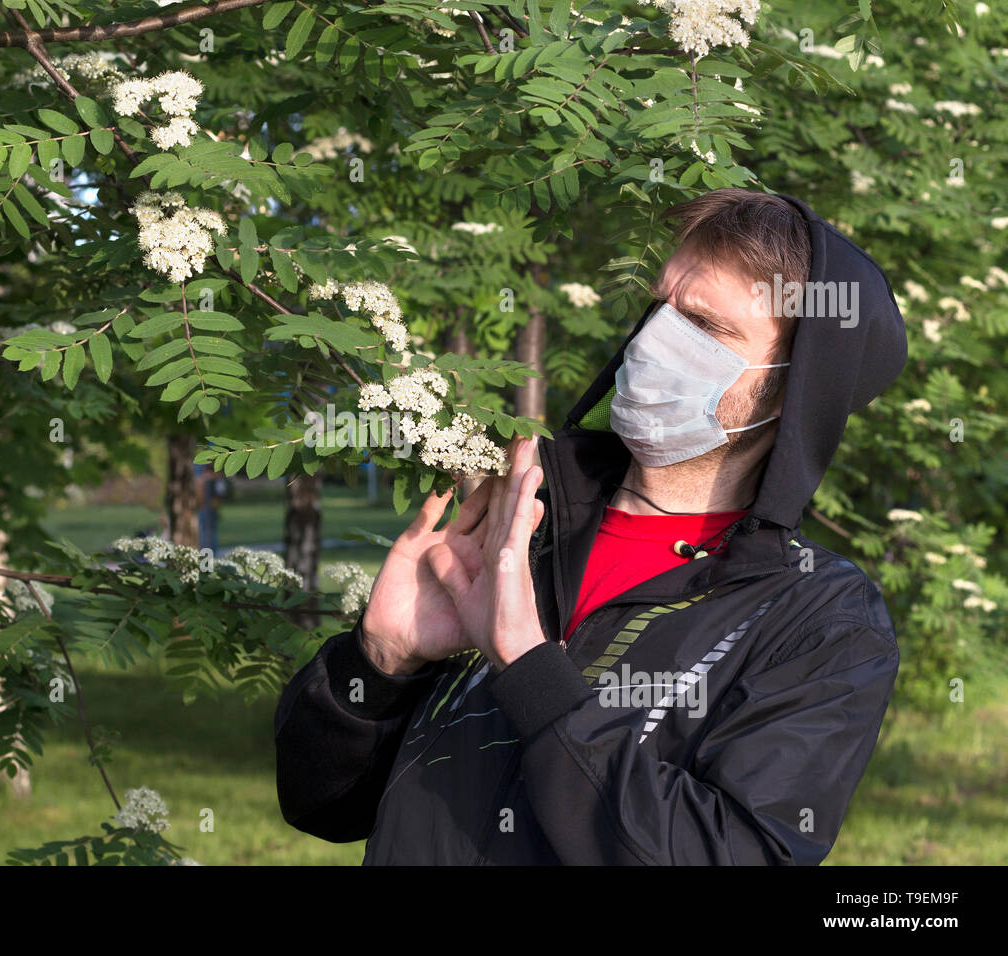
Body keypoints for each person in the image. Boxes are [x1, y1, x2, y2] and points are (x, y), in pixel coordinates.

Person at [273, 189, 908, 865]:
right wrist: (381, 663)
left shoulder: (820, 620)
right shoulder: (519, 521)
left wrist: (530, 669)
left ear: (794, 390)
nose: (659, 336)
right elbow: (320, 805)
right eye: (662, 304)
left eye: (707, 326)